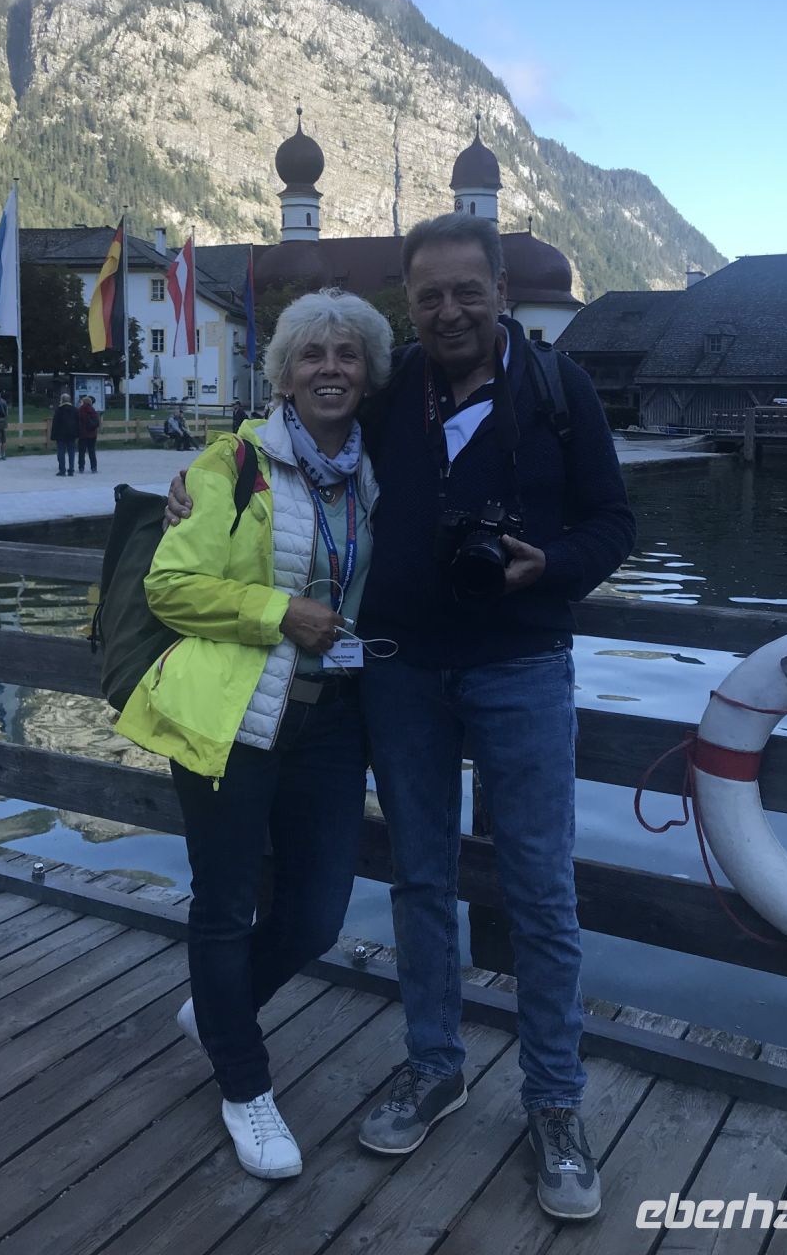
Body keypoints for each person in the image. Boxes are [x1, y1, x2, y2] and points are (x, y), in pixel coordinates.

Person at [168, 216, 635, 1221]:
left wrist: (547, 565)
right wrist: (200, 474)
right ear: (410, 303)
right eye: (430, 295)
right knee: (420, 880)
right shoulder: (392, 389)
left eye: (468, 290)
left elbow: (614, 522)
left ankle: (556, 1102)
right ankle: (435, 1065)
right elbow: (305, 421)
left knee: (541, 895)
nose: (450, 309)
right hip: (403, 675)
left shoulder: (562, 392)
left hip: (522, 667)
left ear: (500, 288)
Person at [117, 290, 393, 1183]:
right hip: (234, 718)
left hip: (334, 722)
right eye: (311, 355)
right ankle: (245, 1086)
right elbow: (169, 588)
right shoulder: (228, 466)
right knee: (225, 903)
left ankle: (217, 1005)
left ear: (368, 373)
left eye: (347, 355)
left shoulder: (380, 471)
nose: (330, 370)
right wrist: (281, 612)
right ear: (281, 372)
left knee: (315, 914)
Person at [49, 393, 78, 475]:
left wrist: (53, 436)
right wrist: (77, 433)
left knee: (61, 452)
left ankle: (62, 470)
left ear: (62, 400)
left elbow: (55, 424)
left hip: (60, 435)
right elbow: (77, 422)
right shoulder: (75, 410)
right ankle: (71, 470)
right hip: (72, 434)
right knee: (71, 452)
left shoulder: (59, 410)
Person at [77, 394, 100, 472]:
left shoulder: (79, 410)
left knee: (81, 452)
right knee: (92, 451)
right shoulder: (93, 410)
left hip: (82, 434)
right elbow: (97, 422)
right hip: (92, 434)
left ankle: (81, 467)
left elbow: (77, 422)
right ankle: (93, 467)